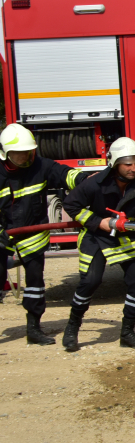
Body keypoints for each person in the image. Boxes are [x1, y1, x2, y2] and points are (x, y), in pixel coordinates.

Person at [60, 137, 135, 351]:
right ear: (115, 163)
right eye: (128, 164)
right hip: (96, 236)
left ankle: (127, 332)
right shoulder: (94, 183)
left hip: (126, 235)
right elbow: (71, 205)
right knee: (90, 281)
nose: (133, 168)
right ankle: (72, 328)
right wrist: (97, 222)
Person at [0, 124, 88, 345]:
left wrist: (85, 180)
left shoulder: (40, 166)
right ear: (5, 153)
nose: (24, 156)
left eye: (28, 151)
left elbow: (65, 174)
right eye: (18, 153)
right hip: (3, 236)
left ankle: (34, 329)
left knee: (35, 284)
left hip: (32, 235)